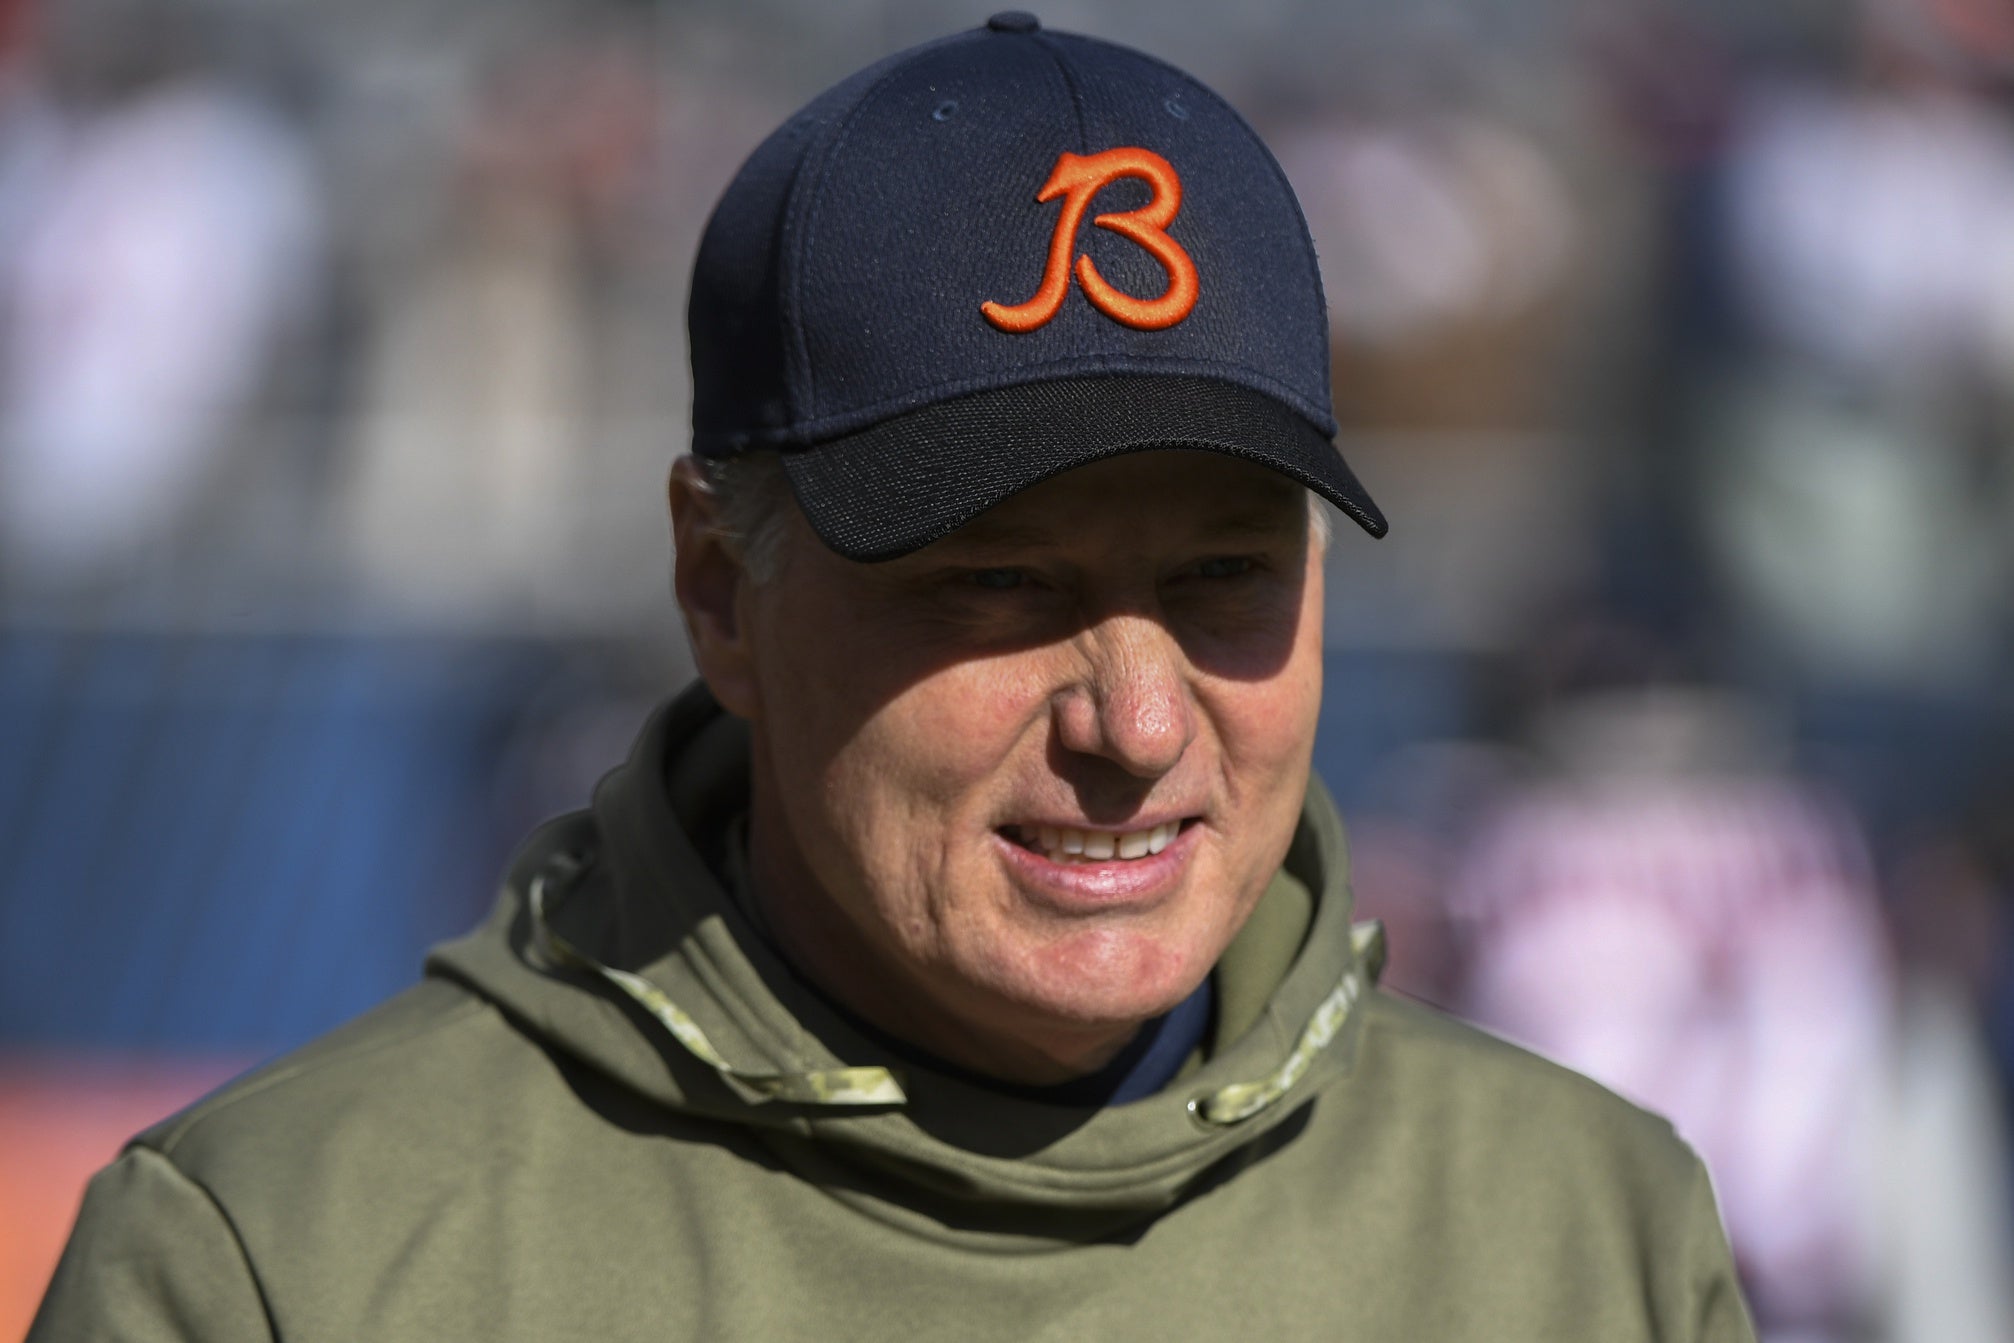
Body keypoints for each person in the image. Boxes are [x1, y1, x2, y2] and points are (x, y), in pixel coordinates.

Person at [30, 16, 1755, 1340]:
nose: (1136, 728)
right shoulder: (288, 1262)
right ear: (719, 589)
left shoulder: (1582, 1240)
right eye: (996, 583)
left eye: (1223, 577)